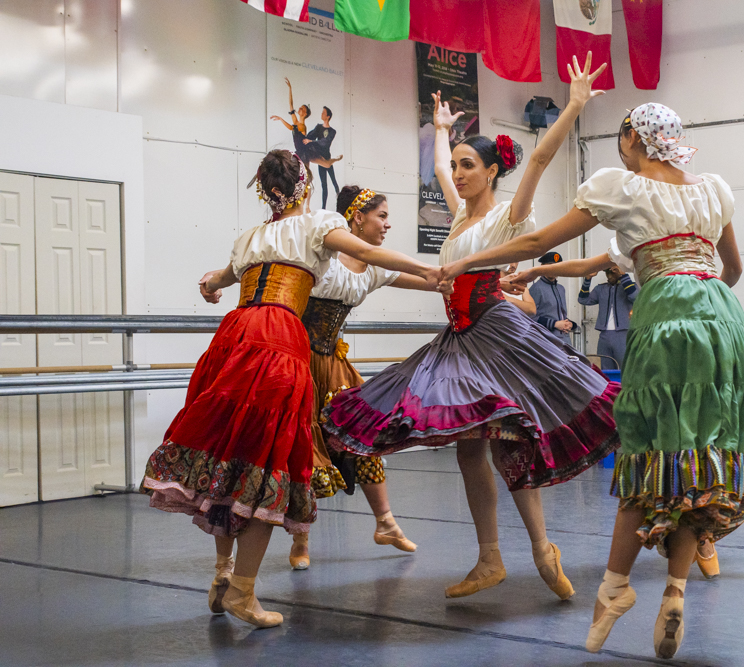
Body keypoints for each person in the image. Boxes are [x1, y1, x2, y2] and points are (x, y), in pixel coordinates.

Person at [440, 103, 744, 659]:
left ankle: (614, 589)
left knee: (647, 449)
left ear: (631, 137)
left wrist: (460, 266)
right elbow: (732, 270)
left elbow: (534, 242)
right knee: (698, 457)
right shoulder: (714, 189)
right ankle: (675, 587)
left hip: (667, 318)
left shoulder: (622, 185)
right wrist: (703, 297)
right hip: (724, 322)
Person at [322, 54, 618, 601]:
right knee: (467, 447)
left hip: (496, 332)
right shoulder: (460, 217)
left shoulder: (509, 216)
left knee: (509, 442)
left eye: (467, 166)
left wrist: (574, 104)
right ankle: (489, 559)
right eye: (456, 165)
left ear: (491, 172)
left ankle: (542, 550)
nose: (457, 173)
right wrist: (439, 129)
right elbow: (437, 167)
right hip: (460, 338)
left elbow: (540, 159)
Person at [141, 150, 446, 629]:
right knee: (268, 458)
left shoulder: (249, 237)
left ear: (267, 192)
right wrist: (428, 269)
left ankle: (223, 571)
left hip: (233, 338)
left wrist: (210, 285)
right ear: (305, 187)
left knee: (230, 453)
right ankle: (243, 591)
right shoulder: (317, 224)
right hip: (278, 341)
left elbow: (218, 279)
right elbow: (367, 253)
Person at [289, 184, 437, 569]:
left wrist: (483, 283)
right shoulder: (322, 254)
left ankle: (385, 522)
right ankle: (301, 538)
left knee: (363, 432)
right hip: (299, 361)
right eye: (382, 216)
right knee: (304, 444)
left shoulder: (373, 269)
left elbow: (428, 281)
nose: (388, 224)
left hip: (333, 363)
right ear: (358, 216)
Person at [270, 78, 342, 169]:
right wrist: (290, 89)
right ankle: (335, 159)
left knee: (323, 166)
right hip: (300, 152)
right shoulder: (296, 122)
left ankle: (336, 159)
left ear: (305, 114)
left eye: (302, 108)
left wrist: (281, 119)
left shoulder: (302, 126)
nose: (299, 108)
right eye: (300, 107)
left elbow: (291, 128)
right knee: (325, 165)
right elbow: (291, 105)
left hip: (306, 152)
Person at [578, 262, 637, 370]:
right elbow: (583, 299)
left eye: (612, 272)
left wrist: (623, 275)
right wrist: (588, 279)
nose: (609, 276)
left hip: (623, 334)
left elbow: (635, 297)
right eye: (607, 273)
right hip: (604, 336)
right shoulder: (601, 289)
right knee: (605, 369)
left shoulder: (629, 286)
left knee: (626, 367)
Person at [529, 251, 578, 347]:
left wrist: (570, 324)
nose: (554, 269)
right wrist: (555, 324)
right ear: (542, 267)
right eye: (550, 266)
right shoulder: (536, 288)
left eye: (557, 266)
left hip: (565, 340)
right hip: (547, 340)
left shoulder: (561, 289)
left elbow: (559, 315)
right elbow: (529, 317)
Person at [305, 106, 341, 207]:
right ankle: (323, 207)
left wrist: (311, 141)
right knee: (324, 184)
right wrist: (304, 137)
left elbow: (325, 142)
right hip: (320, 159)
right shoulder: (318, 127)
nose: (321, 114)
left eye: (323, 113)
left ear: (328, 116)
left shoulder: (332, 131)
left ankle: (340, 199)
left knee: (334, 181)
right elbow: (311, 135)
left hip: (327, 159)